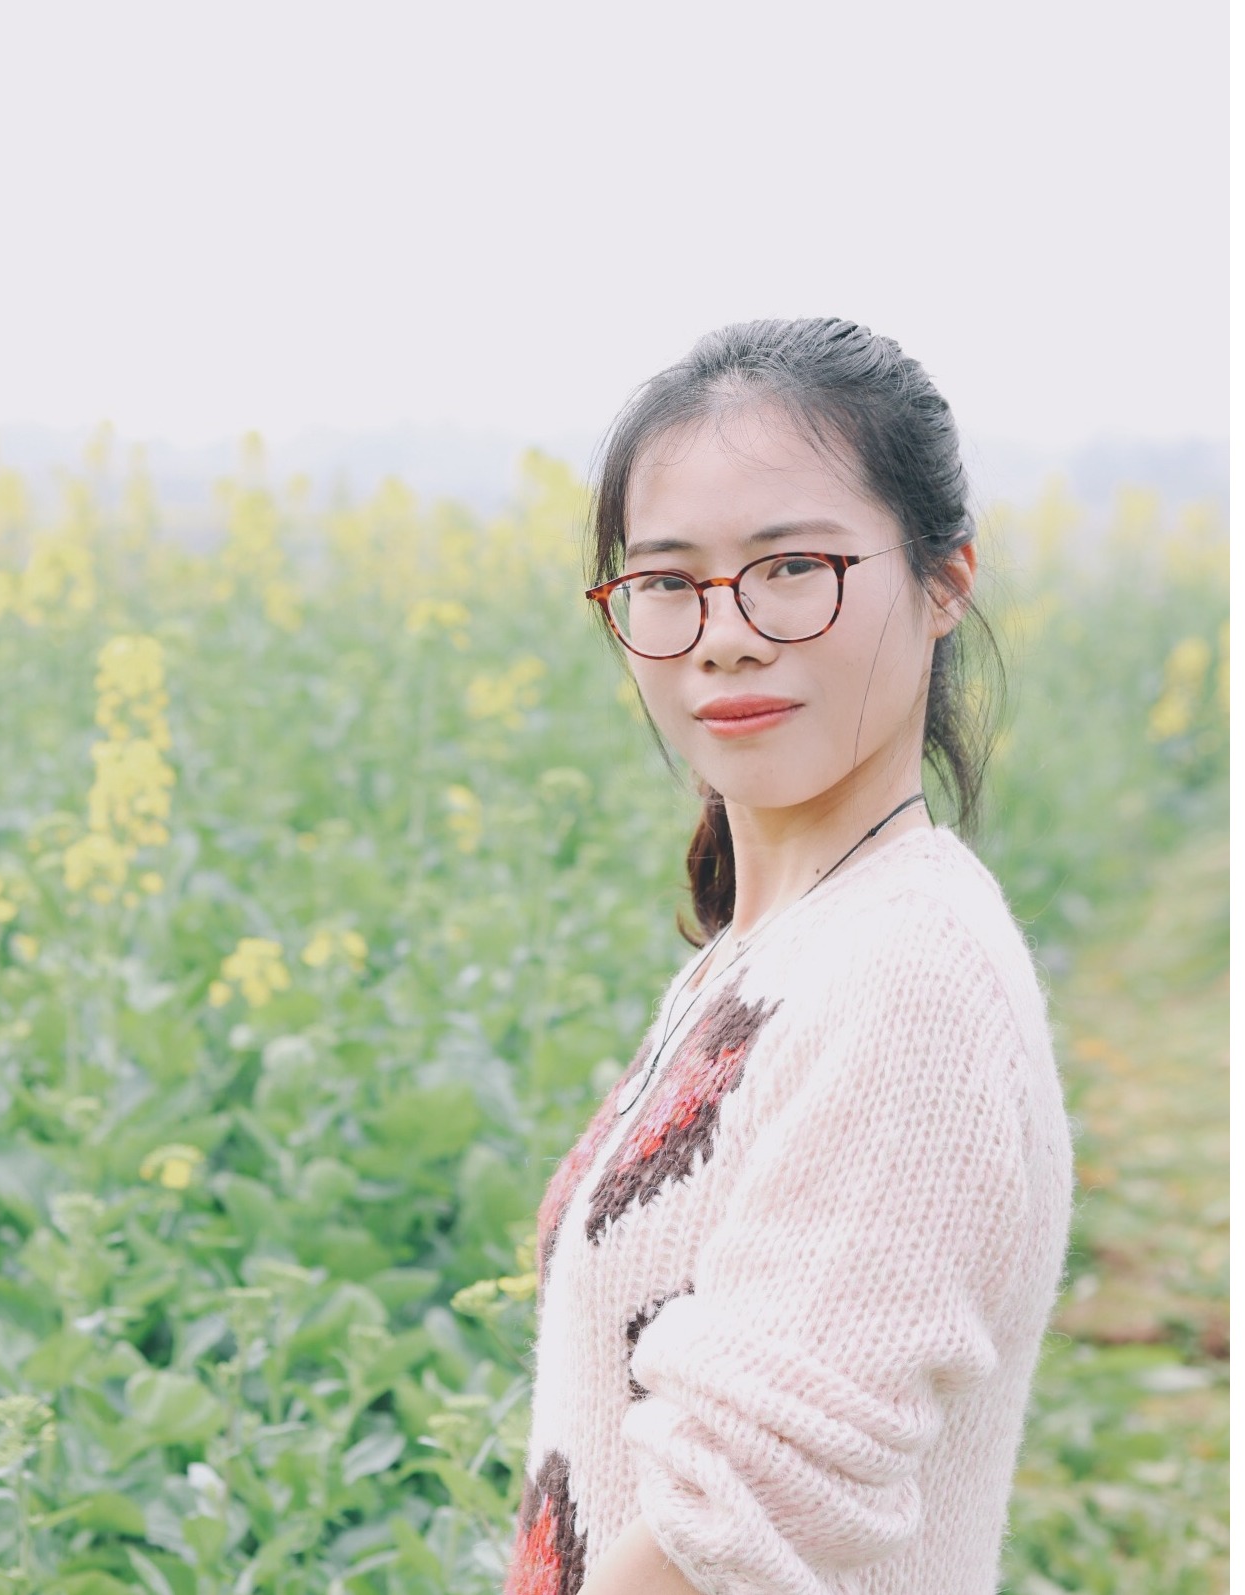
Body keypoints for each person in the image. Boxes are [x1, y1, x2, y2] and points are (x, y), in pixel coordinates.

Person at [502, 318, 1075, 1595]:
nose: (725, 634)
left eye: (793, 567)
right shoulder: (776, 945)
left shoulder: (909, 973)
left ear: (943, 580)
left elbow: (740, 1518)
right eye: (667, 583)